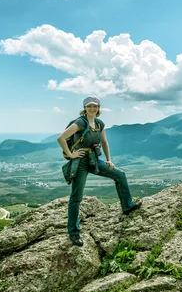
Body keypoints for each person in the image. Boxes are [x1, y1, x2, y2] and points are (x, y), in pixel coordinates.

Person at [57, 95, 142, 247]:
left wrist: (109, 160)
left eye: (95, 106)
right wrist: (71, 155)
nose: (92, 109)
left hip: (94, 160)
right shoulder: (80, 122)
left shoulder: (99, 123)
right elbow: (61, 138)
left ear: (98, 108)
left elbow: (104, 142)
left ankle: (127, 206)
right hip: (81, 162)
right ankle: (74, 233)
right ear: (85, 108)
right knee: (76, 197)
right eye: (89, 106)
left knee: (120, 175)